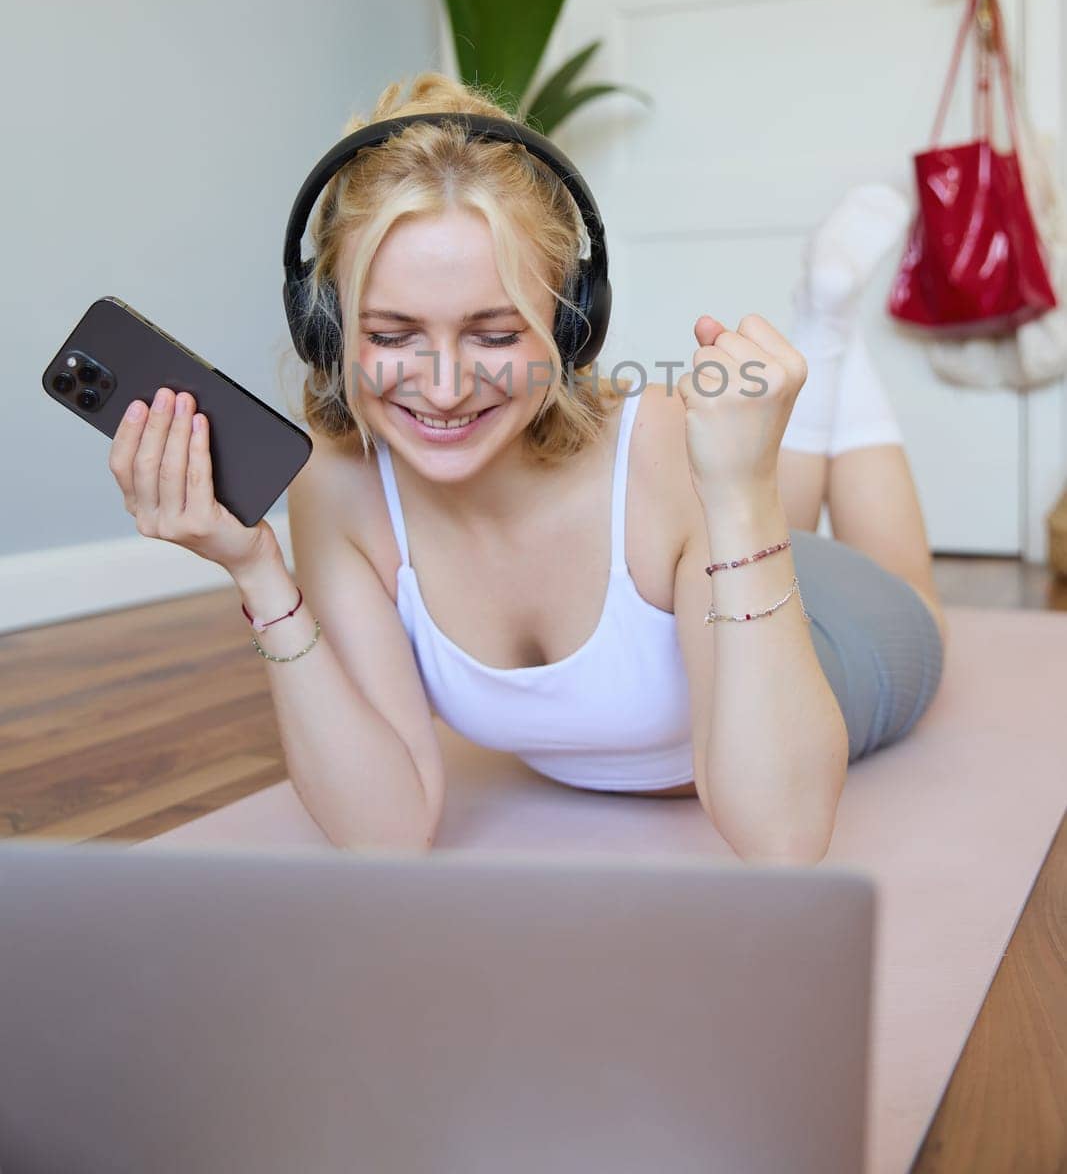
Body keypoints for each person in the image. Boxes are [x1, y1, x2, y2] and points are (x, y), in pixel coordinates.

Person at [107, 73, 945, 865]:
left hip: (837, 647)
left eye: (496, 335)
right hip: (719, 559)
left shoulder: (658, 446)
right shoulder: (340, 480)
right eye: (392, 335)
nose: (440, 388)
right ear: (325, 329)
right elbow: (386, 834)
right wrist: (257, 571)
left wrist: (740, 493)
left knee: (869, 568)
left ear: (571, 323)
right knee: (748, 511)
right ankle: (813, 351)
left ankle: (827, 333)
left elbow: (783, 839)